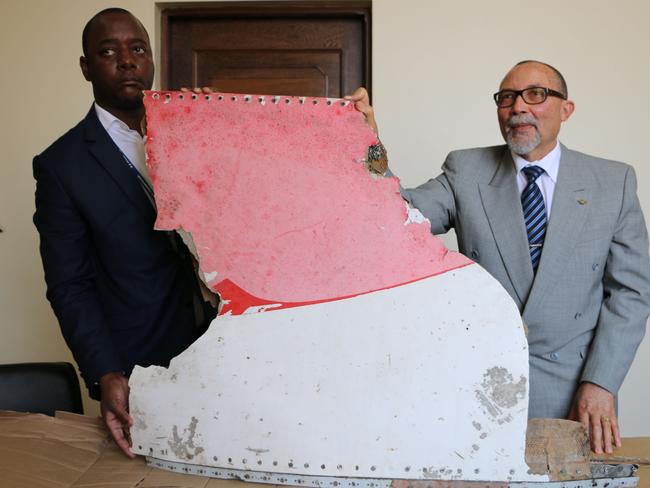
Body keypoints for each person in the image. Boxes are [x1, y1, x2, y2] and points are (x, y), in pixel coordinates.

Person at [347, 61, 650, 455]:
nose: (518, 107)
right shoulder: (466, 170)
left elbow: (632, 293)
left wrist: (601, 383)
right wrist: (366, 141)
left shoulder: (613, 181)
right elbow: (397, 218)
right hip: (477, 389)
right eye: (507, 98)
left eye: (535, 94)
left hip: (576, 395)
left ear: (566, 109)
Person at [33, 8, 215, 458]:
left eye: (137, 49)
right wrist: (105, 371)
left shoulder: (190, 128)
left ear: (151, 59)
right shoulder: (62, 166)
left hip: (223, 342)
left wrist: (217, 129)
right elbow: (69, 285)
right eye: (108, 52)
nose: (127, 61)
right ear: (86, 67)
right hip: (142, 360)